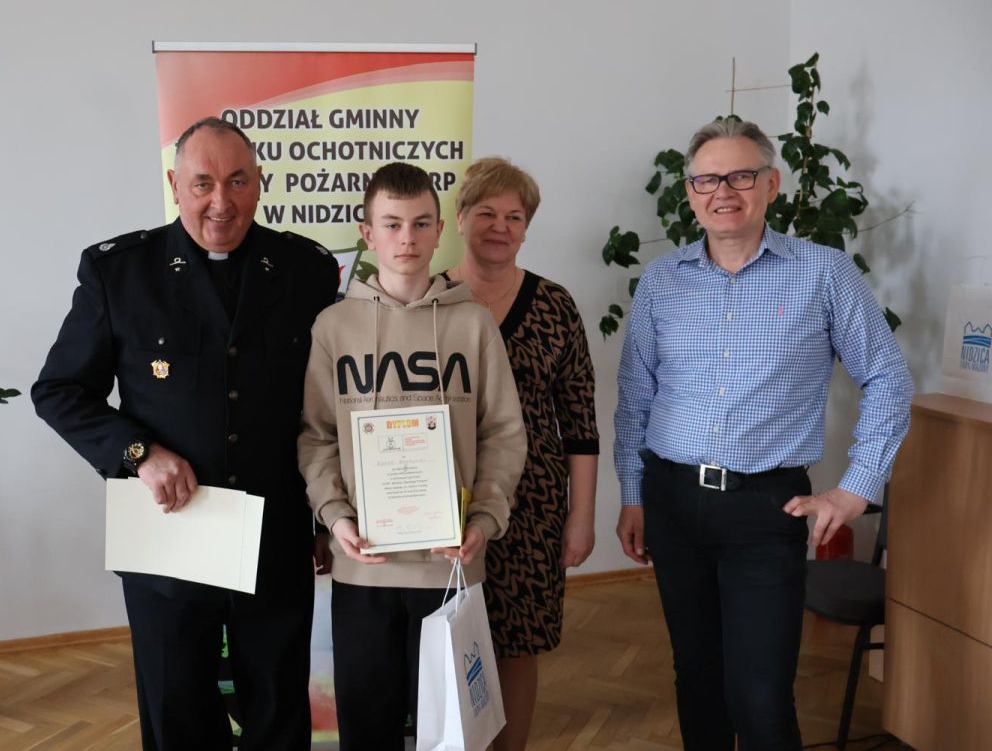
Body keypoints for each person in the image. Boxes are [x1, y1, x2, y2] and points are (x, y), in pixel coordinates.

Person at [31, 117, 338, 751]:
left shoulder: (306, 270)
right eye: (203, 183)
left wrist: (324, 517)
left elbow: (325, 407)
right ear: (175, 184)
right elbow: (59, 390)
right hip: (167, 534)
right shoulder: (121, 272)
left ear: (260, 184)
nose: (220, 202)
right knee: (177, 714)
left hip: (275, 532)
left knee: (279, 710)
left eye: (237, 181)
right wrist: (139, 453)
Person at [613, 117, 914, 750]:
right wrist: (633, 495)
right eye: (706, 180)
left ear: (772, 184)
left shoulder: (824, 273)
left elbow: (888, 378)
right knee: (697, 677)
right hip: (672, 503)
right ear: (690, 192)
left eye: (741, 176)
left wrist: (855, 489)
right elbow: (636, 398)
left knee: (761, 694)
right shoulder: (662, 280)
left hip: (766, 510)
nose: (723, 191)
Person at [298, 162, 527, 750]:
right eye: (392, 224)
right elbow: (316, 436)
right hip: (364, 565)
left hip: (448, 565)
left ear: (439, 231)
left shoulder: (473, 324)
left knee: (447, 731)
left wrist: (484, 520)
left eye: (421, 223)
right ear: (368, 233)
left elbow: (503, 434)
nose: (407, 238)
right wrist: (335, 517)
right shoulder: (332, 327)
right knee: (367, 727)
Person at [443, 157, 600, 751]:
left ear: (527, 227)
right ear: (461, 218)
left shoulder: (555, 305)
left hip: (531, 505)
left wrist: (580, 517)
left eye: (514, 216)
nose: (500, 227)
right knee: (448, 635)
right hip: (444, 499)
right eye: (486, 212)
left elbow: (580, 423)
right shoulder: (432, 298)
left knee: (518, 641)